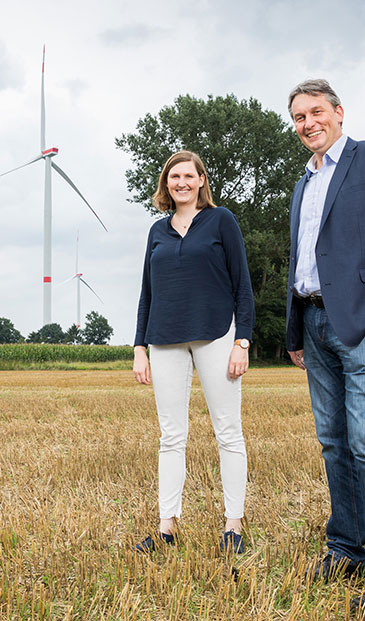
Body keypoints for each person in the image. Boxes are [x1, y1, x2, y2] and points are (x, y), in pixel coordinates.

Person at [133, 150, 254, 554]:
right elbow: (147, 293)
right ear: (165, 184)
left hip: (217, 335)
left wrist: (243, 341)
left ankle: (233, 526)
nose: (181, 182)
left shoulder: (222, 221)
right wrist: (139, 347)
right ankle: (167, 528)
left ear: (202, 180)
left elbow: (242, 285)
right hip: (165, 339)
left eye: (188, 175)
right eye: (173, 176)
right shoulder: (157, 230)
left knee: (228, 431)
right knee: (171, 436)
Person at [286, 79, 365, 612]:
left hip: (357, 322)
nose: (309, 123)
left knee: (363, 443)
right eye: (299, 117)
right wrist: (294, 331)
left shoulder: (361, 163)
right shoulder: (303, 182)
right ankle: (345, 550)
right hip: (313, 323)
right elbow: (301, 259)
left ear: (339, 112)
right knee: (333, 442)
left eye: (317, 112)